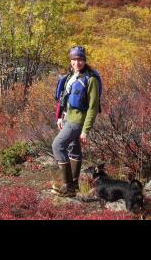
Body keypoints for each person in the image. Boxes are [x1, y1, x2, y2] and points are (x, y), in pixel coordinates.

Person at [51, 45, 101, 197]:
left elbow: (93, 107)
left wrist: (86, 130)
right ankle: (74, 185)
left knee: (57, 145)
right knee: (73, 149)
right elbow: (63, 99)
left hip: (77, 121)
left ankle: (69, 186)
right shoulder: (69, 77)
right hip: (67, 118)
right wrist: (60, 117)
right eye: (74, 59)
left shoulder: (91, 80)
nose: (77, 62)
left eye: (80, 59)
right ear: (70, 60)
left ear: (84, 61)